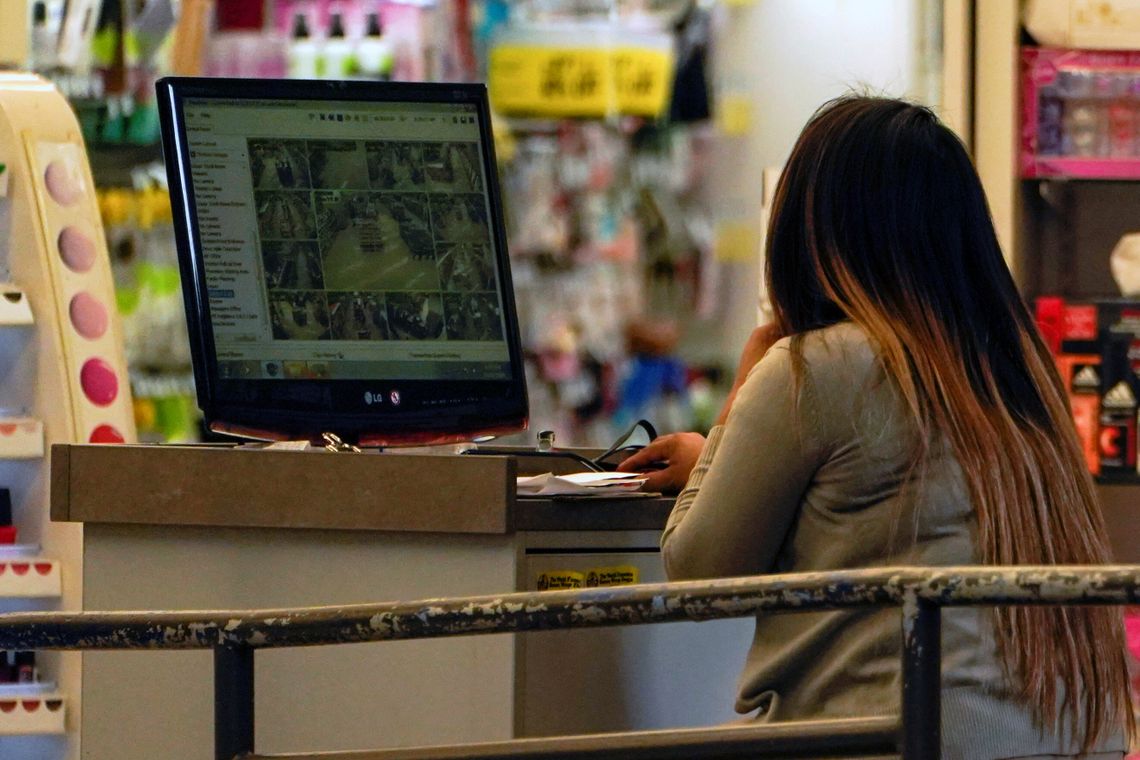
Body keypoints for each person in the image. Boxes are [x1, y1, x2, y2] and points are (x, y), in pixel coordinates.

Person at [618, 96, 1133, 759]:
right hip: (1076, 740)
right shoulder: (1018, 366)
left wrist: (745, 382)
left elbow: (699, 573)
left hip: (901, 740)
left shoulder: (817, 367)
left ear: (810, 230)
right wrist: (717, 456)